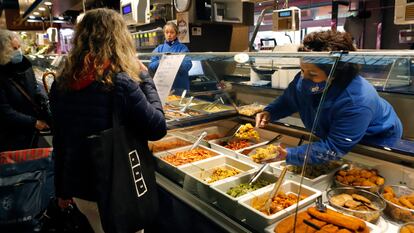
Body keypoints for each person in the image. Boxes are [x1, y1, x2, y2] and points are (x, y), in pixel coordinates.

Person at [50, 8, 167, 233]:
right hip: (118, 188)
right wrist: (146, 79)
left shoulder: (61, 83)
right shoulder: (121, 82)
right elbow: (157, 128)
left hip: (80, 188)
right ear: (119, 39)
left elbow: (60, 140)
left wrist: (62, 191)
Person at [255, 30, 402, 166]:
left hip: (375, 138)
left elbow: (335, 147)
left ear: (335, 73)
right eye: (302, 70)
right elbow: (290, 100)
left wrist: (289, 154)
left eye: (312, 74)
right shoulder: (305, 78)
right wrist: (270, 112)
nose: (304, 78)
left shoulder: (356, 100)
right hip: (334, 136)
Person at [0, 29, 50, 152]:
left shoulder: (26, 66)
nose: (19, 51)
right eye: (14, 48)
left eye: (18, 47)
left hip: (30, 132)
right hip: (10, 135)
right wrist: (33, 122)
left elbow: (34, 88)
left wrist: (42, 99)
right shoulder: (2, 75)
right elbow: (4, 111)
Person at [148, 22, 192, 94]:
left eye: (172, 32)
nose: (169, 35)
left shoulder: (183, 48)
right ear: (164, 33)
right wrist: (161, 61)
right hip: (162, 86)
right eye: (167, 32)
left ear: (177, 34)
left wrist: (173, 61)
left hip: (179, 86)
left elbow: (187, 66)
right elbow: (151, 66)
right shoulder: (159, 49)